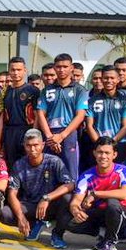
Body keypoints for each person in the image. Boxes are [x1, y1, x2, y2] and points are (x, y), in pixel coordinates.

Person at [57, 137, 126, 250]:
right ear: (94, 153)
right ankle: (102, 234)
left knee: (112, 203)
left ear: (114, 155)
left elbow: (124, 194)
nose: (103, 156)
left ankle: (110, 243)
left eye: (107, 153)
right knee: (69, 218)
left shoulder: (124, 171)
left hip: (121, 215)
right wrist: (75, 210)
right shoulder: (87, 175)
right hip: (99, 214)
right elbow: (77, 200)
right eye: (100, 152)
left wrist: (95, 194)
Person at [1, 129, 74, 243]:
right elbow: (11, 193)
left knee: (68, 198)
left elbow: (70, 184)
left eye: (36, 145)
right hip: (30, 205)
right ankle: (33, 224)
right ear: (24, 146)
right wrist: (21, 217)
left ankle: (57, 234)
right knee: (5, 213)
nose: (32, 149)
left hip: (50, 204)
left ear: (43, 145)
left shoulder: (54, 161)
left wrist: (47, 198)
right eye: (28, 146)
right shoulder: (19, 164)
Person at [36, 53, 88, 181]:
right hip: (49, 135)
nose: (62, 69)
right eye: (58, 66)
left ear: (71, 68)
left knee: (70, 171)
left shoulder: (79, 90)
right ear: (54, 68)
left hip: (68, 134)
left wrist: (62, 136)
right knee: (47, 171)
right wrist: (49, 137)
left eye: (65, 66)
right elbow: (40, 114)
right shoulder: (46, 90)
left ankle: (71, 199)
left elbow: (80, 115)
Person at [0, 57, 39, 165]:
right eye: (13, 70)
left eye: (19, 70)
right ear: (9, 71)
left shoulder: (33, 90)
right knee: (11, 164)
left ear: (25, 70)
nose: (15, 73)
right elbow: (2, 118)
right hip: (9, 133)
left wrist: (33, 135)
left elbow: (37, 116)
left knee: (28, 163)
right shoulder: (5, 92)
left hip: (26, 130)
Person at [86, 65, 126, 159]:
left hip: (120, 144)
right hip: (98, 146)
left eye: (112, 78)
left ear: (118, 79)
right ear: (102, 79)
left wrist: (112, 143)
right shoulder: (91, 101)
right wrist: (99, 144)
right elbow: (89, 126)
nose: (109, 81)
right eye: (106, 78)